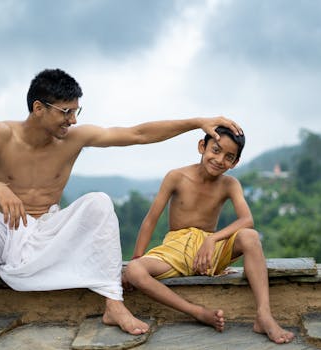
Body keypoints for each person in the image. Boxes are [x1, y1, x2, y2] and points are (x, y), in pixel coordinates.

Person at [0, 68, 243, 335]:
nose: (71, 120)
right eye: (65, 112)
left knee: (99, 201)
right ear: (38, 108)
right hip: (5, 229)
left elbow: (137, 134)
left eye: (75, 111)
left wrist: (196, 122)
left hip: (50, 230)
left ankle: (114, 303)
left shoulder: (74, 137)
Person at [123, 127, 295, 344]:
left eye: (228, 157)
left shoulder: (229, 184)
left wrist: (212, 239)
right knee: (134, 270)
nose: (219, 159)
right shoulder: (176, 176)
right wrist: (138, 257)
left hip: (209, 251)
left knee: (250, 237)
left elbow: (247, 220)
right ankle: (197, 312)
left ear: (235, 162)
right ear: (202, 147)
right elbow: (151, 219)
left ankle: (264, 315)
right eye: (216, 150)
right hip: (176, 249)